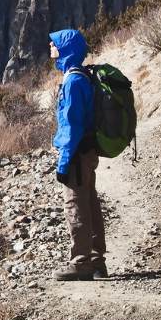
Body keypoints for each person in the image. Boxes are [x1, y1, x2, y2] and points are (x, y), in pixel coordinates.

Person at [50, 28, 105, 281]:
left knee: (75, 205)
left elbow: (71, 126)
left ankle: (81, 262)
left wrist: (63, 163)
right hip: (87, 151)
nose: (51, 48)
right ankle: (96, 261)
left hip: (76, 153)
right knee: (90, 202)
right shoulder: (82, 76)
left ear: (66, 49)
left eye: (54, 44)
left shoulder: (72, 81)